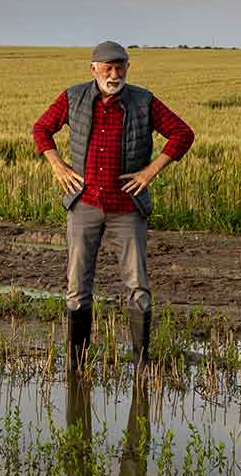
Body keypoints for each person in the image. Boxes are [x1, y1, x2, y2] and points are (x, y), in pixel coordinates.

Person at [32, 41, 194, 372]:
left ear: (128, 68)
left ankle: (142, 362)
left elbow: (182, 133)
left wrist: (149, 172)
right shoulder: (73, 97)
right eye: (107, 67)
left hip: (127, 207)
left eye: (120, 67)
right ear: (93, 69)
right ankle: (77, 364)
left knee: (138, 284)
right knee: (77, 285)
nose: (114, 73)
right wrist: (58, 166)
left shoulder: (143, 101)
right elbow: (41, 129)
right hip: (85, 204)